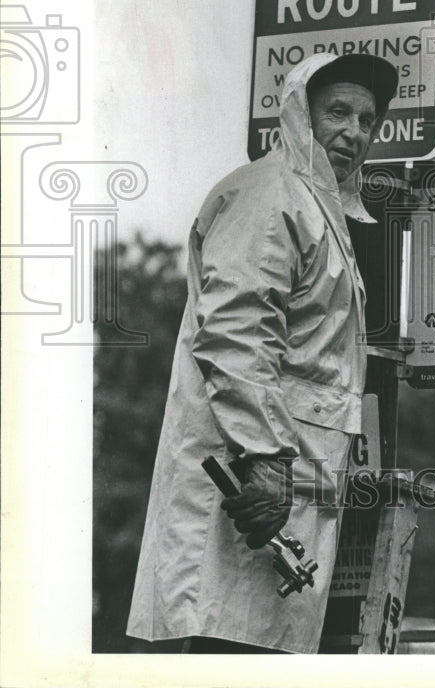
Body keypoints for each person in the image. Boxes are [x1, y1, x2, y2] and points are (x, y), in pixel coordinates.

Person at [126, 52, 399, 654]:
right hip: (254, 485)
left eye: (367, 120)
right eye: (338, 112)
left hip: (291, 484)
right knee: (232, 645)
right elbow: (236, 334)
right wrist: (266, 459)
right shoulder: (268, 196)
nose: (354, 132)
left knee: (259, 645)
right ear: (302, 113)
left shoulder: (318, 208)